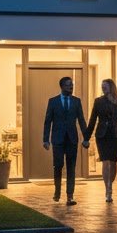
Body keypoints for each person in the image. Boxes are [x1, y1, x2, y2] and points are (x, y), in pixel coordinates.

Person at [42, 76, 89, 204]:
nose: (71, 87)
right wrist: (45, 140)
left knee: (71, 167)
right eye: (68, 85)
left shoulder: (76, 101)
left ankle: (70, 196)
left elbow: (82, 120)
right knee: (58, 166)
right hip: (57, 139)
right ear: (62, 86)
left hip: (72, 139)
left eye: (72, 85)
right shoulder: (53, 101)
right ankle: (57, 192)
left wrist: (86, 138)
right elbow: (48, 121)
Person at [85, 78, 117, 203]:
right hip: (102, 135)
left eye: (105, 86)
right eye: (102, 86)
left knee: (113, 162)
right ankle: (107, 189)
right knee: (105, 161)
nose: (103, 88)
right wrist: (86, 138)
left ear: (111, 87)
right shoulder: (98, 101)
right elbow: (92, 120)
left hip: (116, 135)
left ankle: (110, 184)